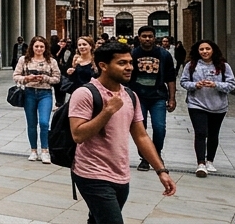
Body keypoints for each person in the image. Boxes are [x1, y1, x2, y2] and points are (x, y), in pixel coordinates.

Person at [69, 41, 175, 222]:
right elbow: (78, 134)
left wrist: (161, 170)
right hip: (92, 173)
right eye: (122, 63)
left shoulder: (130, 95)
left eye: (130, 62)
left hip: (120, 174)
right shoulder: (85, 93)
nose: (129, 68)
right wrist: (108, 111)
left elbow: (141, 136)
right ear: (103, 66)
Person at [179, 39, 235, 177]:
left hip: (218, 106)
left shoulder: (223, 66)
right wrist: (195, 85)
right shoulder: (191, 65)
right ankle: (201, 163)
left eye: (207, 49)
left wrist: (216, 84)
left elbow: (231, 84)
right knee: (200, 132)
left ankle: (210, 160)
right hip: (196, 104)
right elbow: (184, 81)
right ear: (197, 51)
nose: (204, 52)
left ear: (213, 50)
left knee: (213, 133)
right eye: (201, 49)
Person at [130, 25, 177, 171]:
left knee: (159, 127)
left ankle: (156, 154)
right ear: (139, 38)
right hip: (138, 97)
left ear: (154, 37)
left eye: (150, 36)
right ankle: (145, 157)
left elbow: (170, 77)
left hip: (158, 96)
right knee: (140, 129)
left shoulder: (164, 55)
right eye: (144, 36)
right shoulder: (132, 54)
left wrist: (172, 98)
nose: (147, 39)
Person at [13, 35, 60, 163]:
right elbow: (16, 75)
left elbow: (57, 78)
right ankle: (33, 150)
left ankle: (45, 150)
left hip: (45, 93)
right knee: (32, 123)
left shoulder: (51, 61)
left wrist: (45, 78)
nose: (39, 49)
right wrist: (27, 78)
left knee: (44, 122)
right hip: (29, 92)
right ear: (32, 47)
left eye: (42, 46)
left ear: (45, 48)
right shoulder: (24, 60)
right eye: (36, 46)